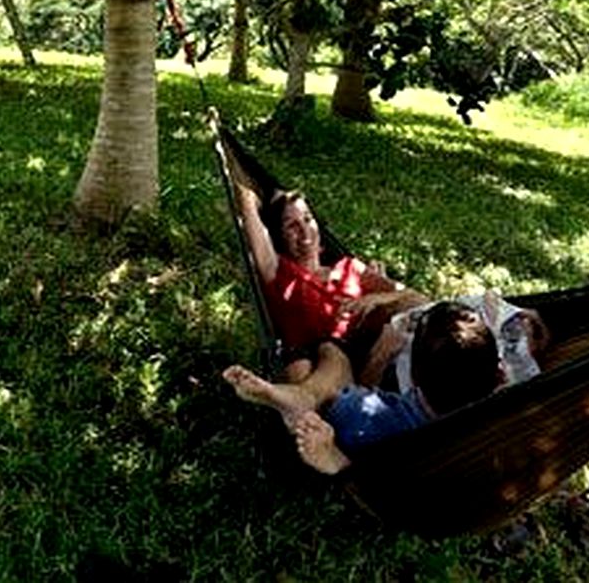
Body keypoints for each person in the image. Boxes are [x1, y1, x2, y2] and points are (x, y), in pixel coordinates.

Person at [226, 297, 549, 474]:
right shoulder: (493, 421)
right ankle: (318, 426)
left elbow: (367, 389)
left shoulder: (363, 413)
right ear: (498, 377)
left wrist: (382, 353)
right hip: (411, 456)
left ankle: (310, 413)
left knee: (324, 354)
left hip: (361, 429)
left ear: (416, 377)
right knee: (328, 371)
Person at [235, 185, 427, 380]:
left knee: (416, 309)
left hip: (386, 346)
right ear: (279, 236)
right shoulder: (280, 272)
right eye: (291, 225)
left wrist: (374, 299)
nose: (304, 230)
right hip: (331, 367)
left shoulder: (350, 267)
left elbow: (416, 298)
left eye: (308, 219)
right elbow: (246, 201)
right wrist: (250, 197)